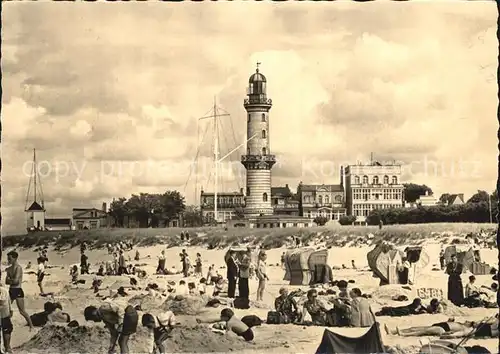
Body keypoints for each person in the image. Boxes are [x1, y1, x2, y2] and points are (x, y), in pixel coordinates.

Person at [5, 251, 34, 330]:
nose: (8, 260)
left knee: (22, 311)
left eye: (10, 258)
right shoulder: (9, 269)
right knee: (5, 308)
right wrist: (11, 280)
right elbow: (6, 282)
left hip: (17, 290)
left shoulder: (18, 268)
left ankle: (31, 326)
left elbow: (16, 282)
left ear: (15, 258)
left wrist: (10, 280)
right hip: (11, 290)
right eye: (8, 258)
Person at [384, 320, 476, 337]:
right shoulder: (459, 323)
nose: (466, 321)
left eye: (468, 322)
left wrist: (448, 335)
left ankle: (404, 334)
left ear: (469, 325)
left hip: (442, 330)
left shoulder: (464, 328)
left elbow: (458, 334)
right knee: (415, 328)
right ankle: (393, 331)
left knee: (422, 331)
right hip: (440, 325)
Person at [0, 286, 13, 353]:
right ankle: (7, 347)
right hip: (4, 313)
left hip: (4, 313)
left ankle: (7, 347)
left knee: (7, 329)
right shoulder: (4, 290)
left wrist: (10, 310)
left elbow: (7, 300)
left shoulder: (4, 291)